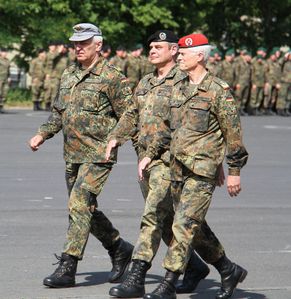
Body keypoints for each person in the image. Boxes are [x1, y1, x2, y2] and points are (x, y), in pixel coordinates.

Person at [106, 30, 243, 299]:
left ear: (199, 56)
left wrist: (231, 170)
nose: (179, 55)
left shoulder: (211, 88)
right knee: (186, 224)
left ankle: (151, 277)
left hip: (189, 168)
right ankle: (225, 268)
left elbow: (231, 134)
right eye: (151, 46)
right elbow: (168, 128)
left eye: (182, 52)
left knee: (164, 218)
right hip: (168, 162)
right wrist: (135, 146)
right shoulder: (169, 86)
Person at [28, 23, 133, 288]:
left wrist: (116, 140)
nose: (78, 48)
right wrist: (43, 134)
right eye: (75, 43)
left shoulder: (111, 76)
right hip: (72, 154)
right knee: (85, 209)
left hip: (99, 153)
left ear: (98, 45)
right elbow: (59, 112)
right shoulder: (69, 74)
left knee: (78, 205)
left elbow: (130, 114)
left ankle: (68, 266)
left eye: (84, 43)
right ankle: (118, 247)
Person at [0, 48, 10, 113]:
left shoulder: (7, 61)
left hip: (5, 79)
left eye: (6, 52)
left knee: (4, 93)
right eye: (3, 52)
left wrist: (9, 77)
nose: (5, 53)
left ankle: (1, 106)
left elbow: (8, 70)